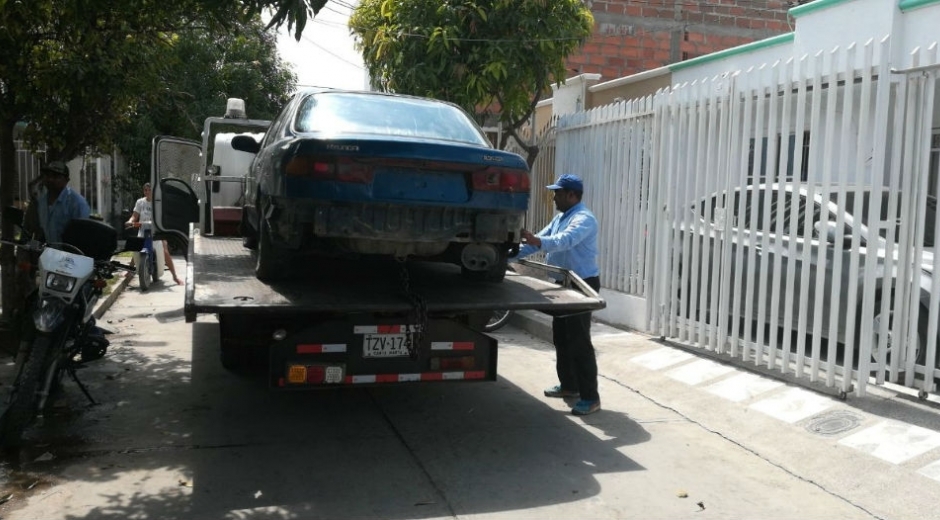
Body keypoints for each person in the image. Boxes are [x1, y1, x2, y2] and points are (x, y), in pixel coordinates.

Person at [512, 173, 602, 416]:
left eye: (558, 193)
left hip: (581, 285)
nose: (554, 198)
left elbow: (564, 241)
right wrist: (505, 258)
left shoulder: (584, 219)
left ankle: (591, 397)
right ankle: (569, 386)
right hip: (562, 283)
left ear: (572, 195)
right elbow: (535, 243)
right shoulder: (561, 217)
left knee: (579, 341)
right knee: (561, 337)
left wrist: (537, 240)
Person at [125, 182, 182, 285]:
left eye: (149, 190)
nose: (147, 192)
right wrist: (130, 221)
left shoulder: (158, 203)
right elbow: (134, 216)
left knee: (164, 250)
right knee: (136, 247)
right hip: (143, 230)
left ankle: (175, 277)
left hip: (157, 231)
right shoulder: (140, 202)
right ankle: (130, 271)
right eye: (145, 190)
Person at [32, 161, 91, 244]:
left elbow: (82, 236)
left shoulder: (77, 203)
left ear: (67, 180)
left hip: (71, 255)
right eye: (48, 175)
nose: (50, 179)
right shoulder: (41, 201)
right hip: (50, 254)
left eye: (56, 176)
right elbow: (42, 231)